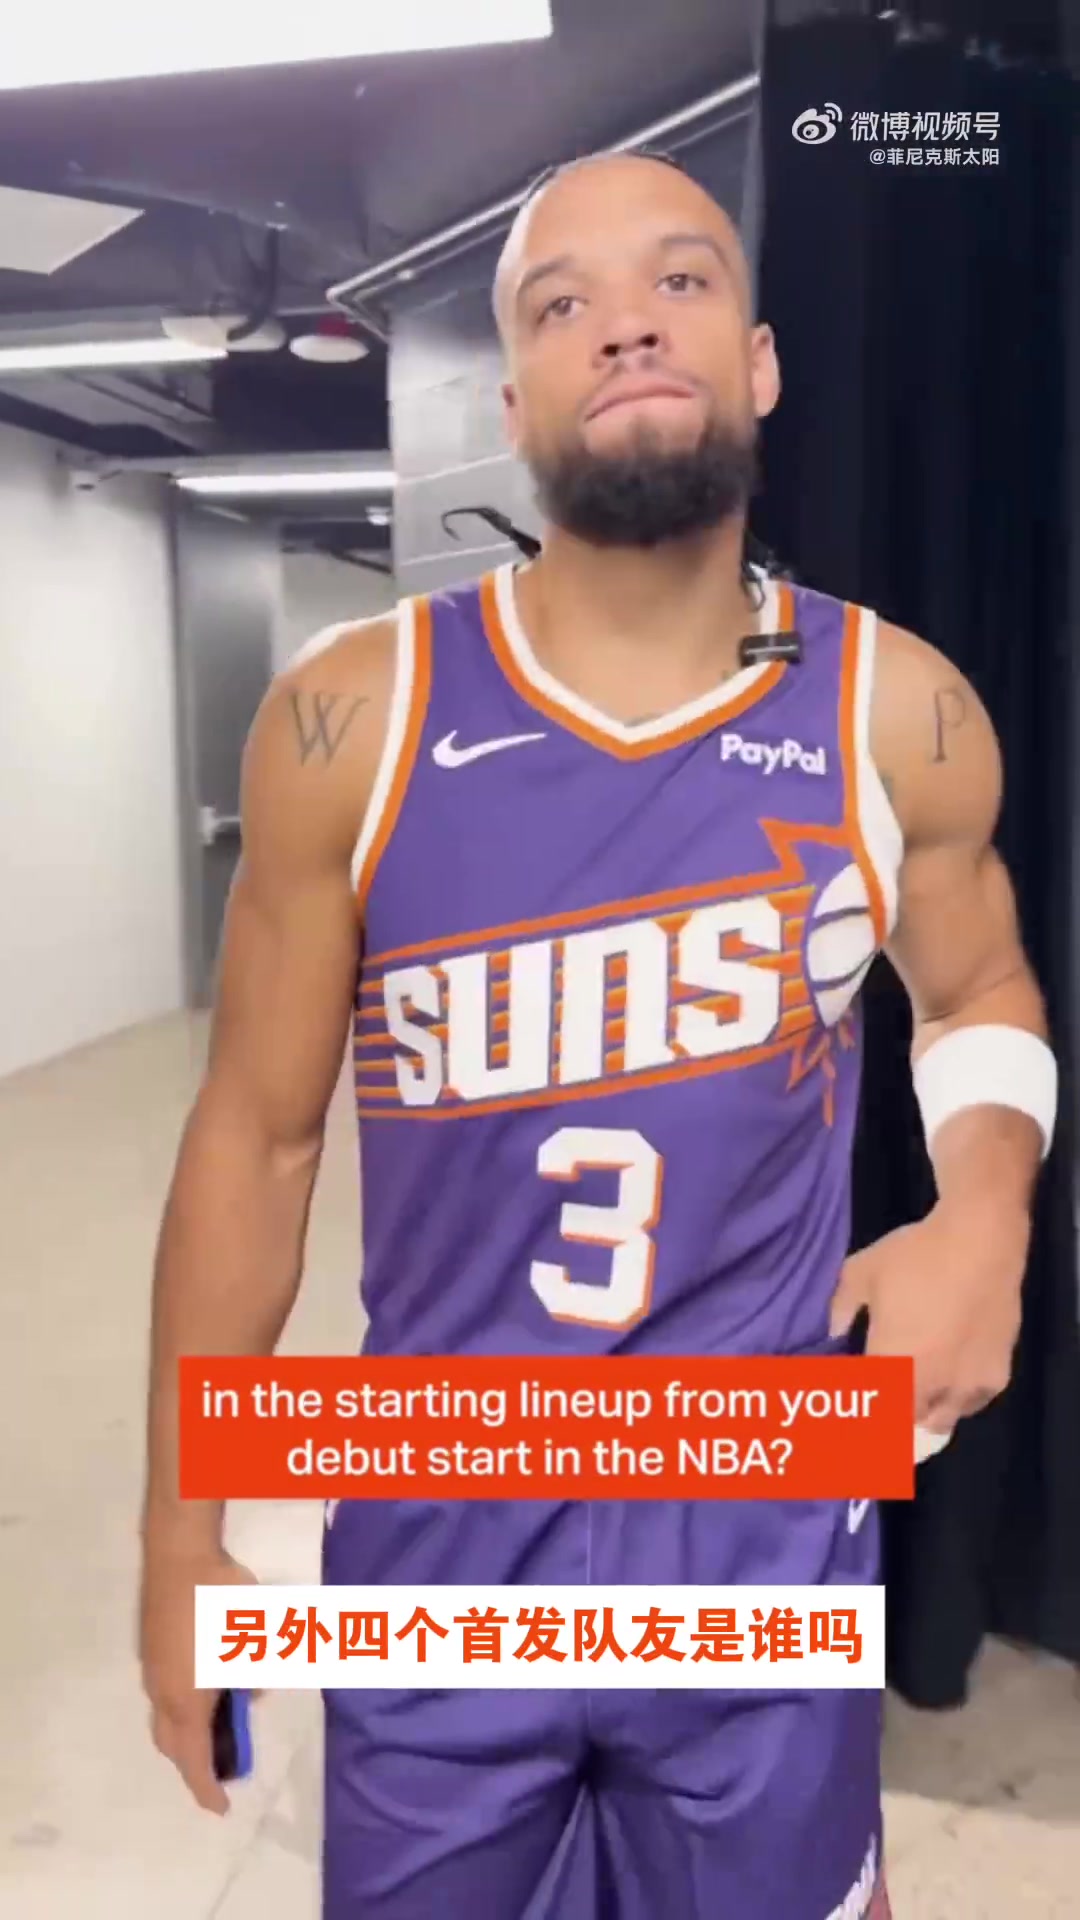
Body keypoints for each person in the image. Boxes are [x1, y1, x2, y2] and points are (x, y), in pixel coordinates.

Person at [139, 150, 1056, 1920]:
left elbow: (982, 993)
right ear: (511, 401)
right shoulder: (355, 716)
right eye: (563, 304)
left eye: (680, 280)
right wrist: (183, 1537)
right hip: (437, 1527)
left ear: (763, 360)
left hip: (762, 1533)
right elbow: (255, 1137)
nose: (626, 323)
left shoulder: (897, 708)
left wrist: (988, 1212)